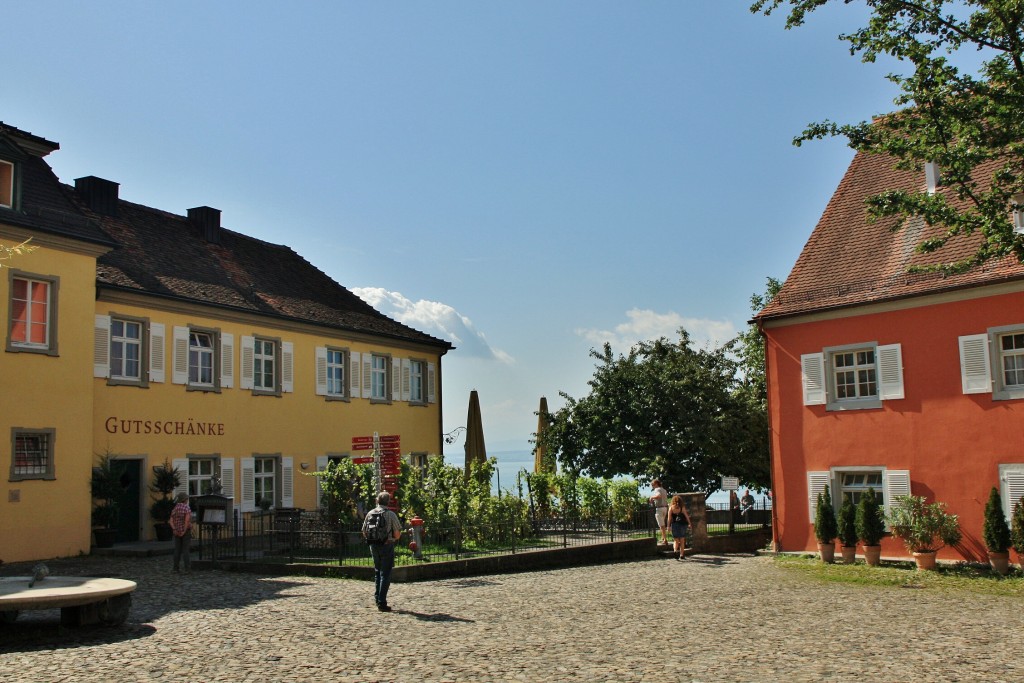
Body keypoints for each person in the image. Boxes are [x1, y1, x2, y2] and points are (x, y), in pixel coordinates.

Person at [362, 491, 402, 612]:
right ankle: (382, 601)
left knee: (377, 571)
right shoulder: (390, 514)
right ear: (388, 502)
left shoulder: (370, 513)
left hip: (373, 545)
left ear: (377, 501)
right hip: (386, 545)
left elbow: (364, 531)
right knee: (385, 573)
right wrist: (393, 539)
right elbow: (397, 533)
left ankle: (377, 597)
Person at [169, 492, 192, 573]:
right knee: (186, 550)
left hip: (177, 531)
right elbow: (187, 521)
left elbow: (171, 520)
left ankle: (175, 568)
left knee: (177, 550)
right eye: (187, 498)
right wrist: (184, 531)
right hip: (185, 531)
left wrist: (174, 529)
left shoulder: (175, 508)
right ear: (185, 499)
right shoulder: (186, 508)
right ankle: (187, 568)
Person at [668, 495, 691, 560]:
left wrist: (668, 526)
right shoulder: (682, 507)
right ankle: (681, 554)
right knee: (682, 540)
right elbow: (686, 516)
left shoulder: (671, 508)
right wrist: (689, 524)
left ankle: (675, 551)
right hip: (682, 524)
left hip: (674, 525)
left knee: (676, 540)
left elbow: (669, 518)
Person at [649, 479, 669, 545]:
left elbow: (659, 495)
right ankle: (663, 538)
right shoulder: (664, 490)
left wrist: (652, 497)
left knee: (661, 525)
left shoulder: (657, 489)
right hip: (665, 508)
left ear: (656, 484)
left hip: (659, 508)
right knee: (662, 524)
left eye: (653, 485)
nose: (652, 486)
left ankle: (665, 540)